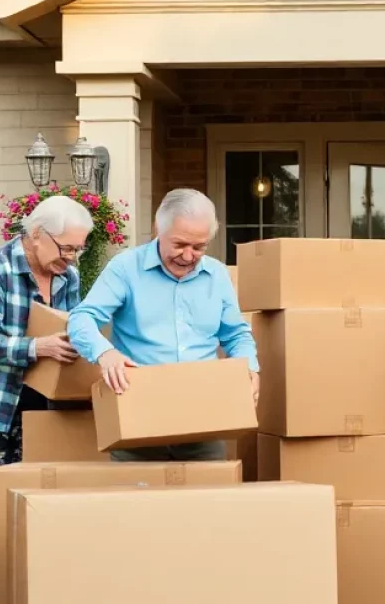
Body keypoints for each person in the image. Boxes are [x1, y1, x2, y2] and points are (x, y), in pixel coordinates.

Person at [68, 188, 258, 462]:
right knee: (137, 504)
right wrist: (105, 353)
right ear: (158, 229)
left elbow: (236, 334)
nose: (189, 256)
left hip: (204, 420)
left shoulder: (217, 274)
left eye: (199, 247)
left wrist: (249, 366)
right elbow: (82, 318)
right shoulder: (125, 268)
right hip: (137, 418)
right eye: (180, 244)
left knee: (209, 502)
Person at [0, 195, 94, 466]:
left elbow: (72, 327)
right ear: (37, 233)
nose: (72, 258)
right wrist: (38, 347)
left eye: (78, 249)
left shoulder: (68, 276)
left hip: (44, 405)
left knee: (35, 494)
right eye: (66, 248)